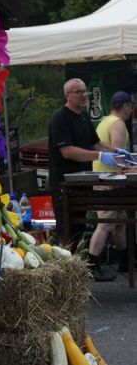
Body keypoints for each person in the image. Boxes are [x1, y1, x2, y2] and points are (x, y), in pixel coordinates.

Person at [47, 78, 130, 258]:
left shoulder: (84, 116)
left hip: (82, 182)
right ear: (67, 95)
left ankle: (81, 268)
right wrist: (100, 156)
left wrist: (117, 152)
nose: (84, 95)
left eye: (85, 91)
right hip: (64, 185)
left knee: (80, 228)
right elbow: (67, 151)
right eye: (79, 92)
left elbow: (96, 143)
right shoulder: (60, 118)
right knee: (67, 231)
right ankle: (65, 269)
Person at [88, 91, 134, 277]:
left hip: (106, 178)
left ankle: (125, 260)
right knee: (106, 223)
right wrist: (132, 168)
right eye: (131, 106)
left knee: (119, 222)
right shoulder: (118, 123)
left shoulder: (105, 121)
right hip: (108, 180)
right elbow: (119, 157)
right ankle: (91, 265)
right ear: (126, 106)